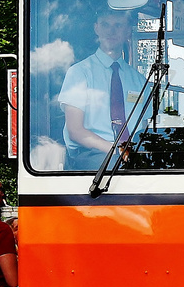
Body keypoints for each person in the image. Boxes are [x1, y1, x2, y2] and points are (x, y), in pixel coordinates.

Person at [58, 10, 148, 170]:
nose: (111, 31)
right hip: (92, 154)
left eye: (118, 25)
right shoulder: (80, 72)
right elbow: (75, 130)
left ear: (128, 31)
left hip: (133, 155)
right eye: (105, 25)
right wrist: (118, 150)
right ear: (97, 28)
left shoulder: (139, 80)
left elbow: (148, 125)